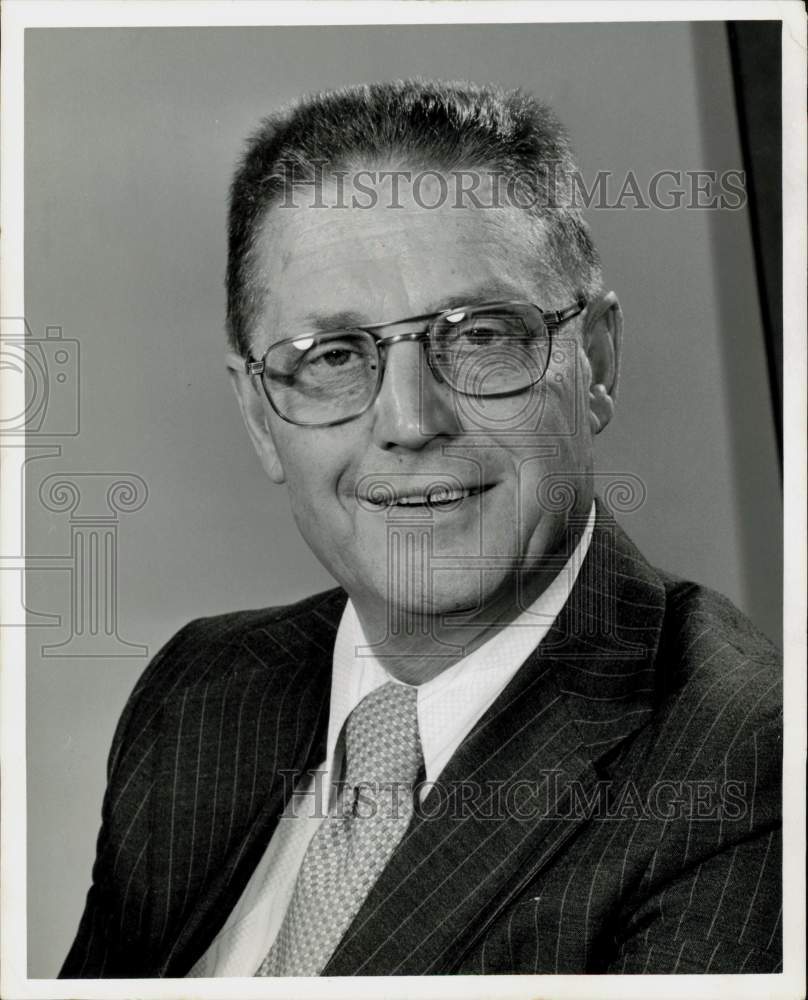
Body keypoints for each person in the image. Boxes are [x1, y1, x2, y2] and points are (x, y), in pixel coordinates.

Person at [60, 79, 782, 978]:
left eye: (479, 335)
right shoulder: (199, 693)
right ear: (259, 417)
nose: (410, 419)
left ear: (595, 361)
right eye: (332, 356)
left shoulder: (750, 766)